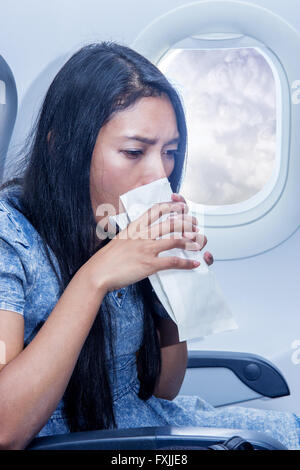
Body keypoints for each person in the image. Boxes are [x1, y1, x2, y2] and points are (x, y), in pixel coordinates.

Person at [0, 41, 299, 450]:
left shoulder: (119, 227)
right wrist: (97, 277)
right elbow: (5, 429)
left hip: (148, 423)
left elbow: (163, 388)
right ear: (61, 147)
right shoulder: (9, 237)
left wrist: (172, 288)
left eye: (171, 153)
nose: (159, 173)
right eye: (134, 152)